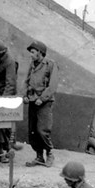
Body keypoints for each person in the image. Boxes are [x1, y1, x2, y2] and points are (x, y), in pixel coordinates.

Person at [23, 40, 58, 168]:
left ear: (40, 52)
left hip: (44, 102)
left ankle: (49, 153)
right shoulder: (32, 65)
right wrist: (25, 96)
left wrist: (42, 98)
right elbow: (26, 81)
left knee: (42, 130)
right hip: (32, 100)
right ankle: (39, 157)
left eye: (33, 52)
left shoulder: (50, 64)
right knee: (32, 131)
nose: (31, 55)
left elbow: (52, 85)